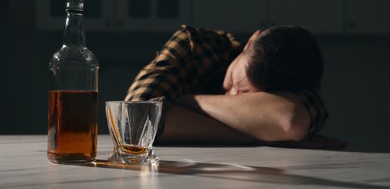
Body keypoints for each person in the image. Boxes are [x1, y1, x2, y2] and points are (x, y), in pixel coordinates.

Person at [125, 25, 342, 148]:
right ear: (250, 42)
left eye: (248, 96)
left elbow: (291, 122)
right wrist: (259, 135)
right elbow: (134, 120)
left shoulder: (300, 79)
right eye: (238, 83)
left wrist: (188, 102)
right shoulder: (195, 45)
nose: (234, 96)